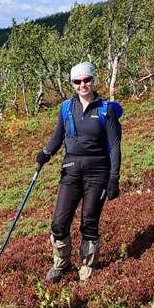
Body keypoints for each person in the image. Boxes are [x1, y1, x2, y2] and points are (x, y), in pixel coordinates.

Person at [35, 62, 121, 283]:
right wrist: (46, 153)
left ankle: (87, 266)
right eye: (77, 81)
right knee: (59, 222)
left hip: (98, 172)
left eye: (87, 80)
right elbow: (57, 138)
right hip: (71, 169)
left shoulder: (106, 110)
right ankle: (61, 263)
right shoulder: (65, 108)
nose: (83, 85)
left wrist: (114, 178)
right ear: (72, 83)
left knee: (89, 222)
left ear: (93, 80)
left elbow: (114, 146)